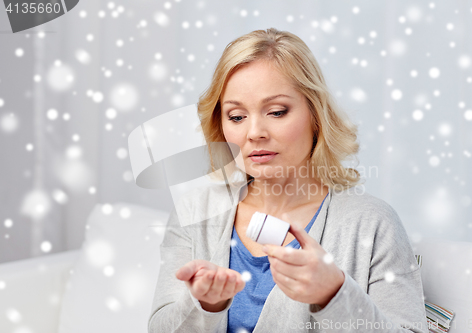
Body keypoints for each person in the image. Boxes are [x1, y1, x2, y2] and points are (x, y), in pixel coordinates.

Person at [148, 28, 428, 333]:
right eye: (237, 117)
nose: (254, 132)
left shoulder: (372, 223)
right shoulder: (196, 213)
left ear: (315, 115)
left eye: (277, 112)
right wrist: (205, 305)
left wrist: (334, 294)